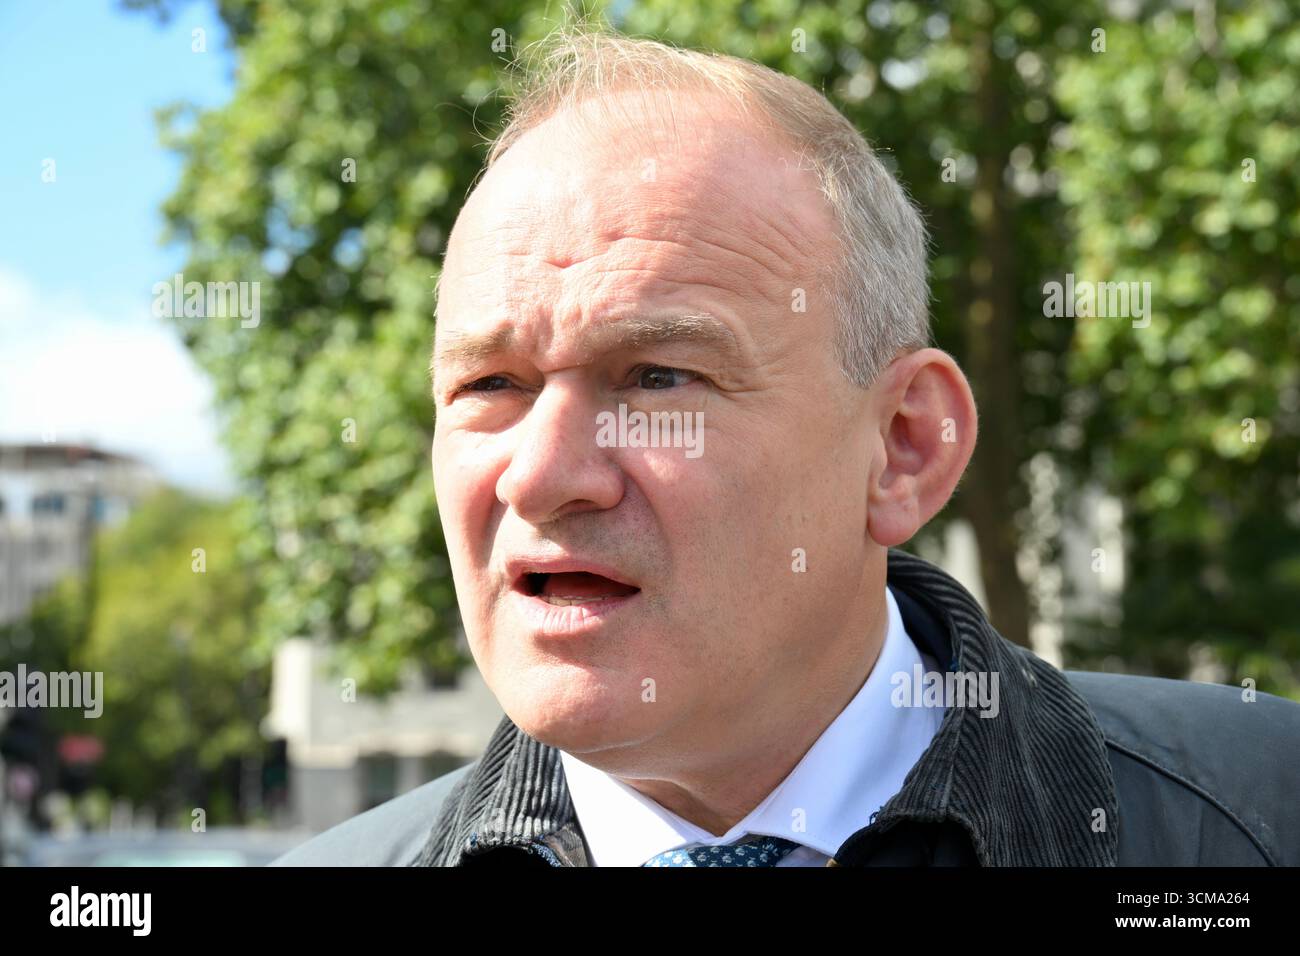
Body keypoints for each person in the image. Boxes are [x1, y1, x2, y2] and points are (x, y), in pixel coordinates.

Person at [272, 25, 1300, 867]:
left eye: (657, 377)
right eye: (490, 384)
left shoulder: (1255, 817)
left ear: (903, 445)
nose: (540, 474)